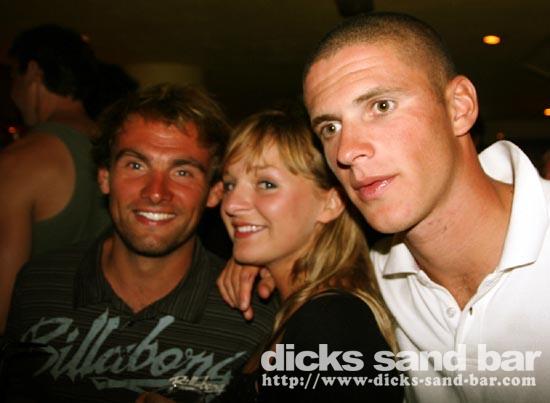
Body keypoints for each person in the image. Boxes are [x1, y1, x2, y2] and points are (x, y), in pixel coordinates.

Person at [218, 12, 550, 403]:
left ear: (459, 107)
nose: (346, 150)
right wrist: (261, 253)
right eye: (330, 128)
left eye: (381, 106)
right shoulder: (376, 282)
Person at [1, 84, 276, 402]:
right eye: (136, 165)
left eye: (182, 172)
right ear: (104, 177)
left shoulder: (255, 317)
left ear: (214, 192)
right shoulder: (38, 285)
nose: (156, 192)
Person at [215, 108, 402, 402]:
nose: (232, 204)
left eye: (266, 184)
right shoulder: (302, 309)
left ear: (331, 203)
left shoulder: (332, 324)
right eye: (229, 184)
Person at [0, 25, 110, 333]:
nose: (12, 92)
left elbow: (4, 303)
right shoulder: (119, 148)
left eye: (14, 76)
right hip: (103, 339)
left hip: (38, 346)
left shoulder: (19, 161)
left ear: (33, 72)